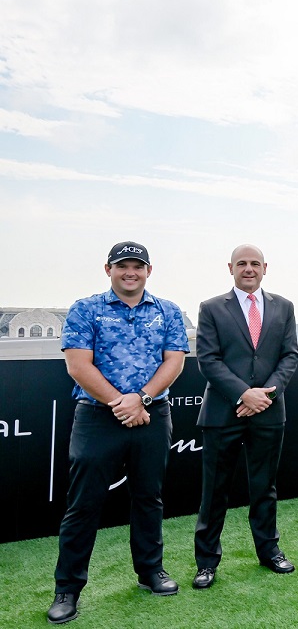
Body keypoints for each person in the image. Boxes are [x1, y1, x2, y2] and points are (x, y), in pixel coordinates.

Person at [49, 242, 189, 624]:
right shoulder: (86, 308)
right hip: (97, 417)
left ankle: (150, 572)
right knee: (83, 505)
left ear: (149, 270)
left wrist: (140, 399)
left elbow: (174, 362)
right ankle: (68, 588)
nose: (131, 272)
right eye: (123, 265)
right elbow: (78, 366)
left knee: (149, 498)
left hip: (152, 414)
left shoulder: (168, 311)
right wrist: (121, 403)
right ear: (108, 268)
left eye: (137, 266)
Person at [192, 244, 298, 589]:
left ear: (265, 268)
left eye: (255, 263)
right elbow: (208, 360)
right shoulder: (211, 308)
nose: (249, 268)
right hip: (223, 413)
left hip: (268, 413)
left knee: (264, 488)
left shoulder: (284, 307)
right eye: (242, 263)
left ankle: (269, 552)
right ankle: (206, 563)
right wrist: (243, 393)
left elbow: (289, 356)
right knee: (214, 492)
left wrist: (264, 395)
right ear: (231, 268)